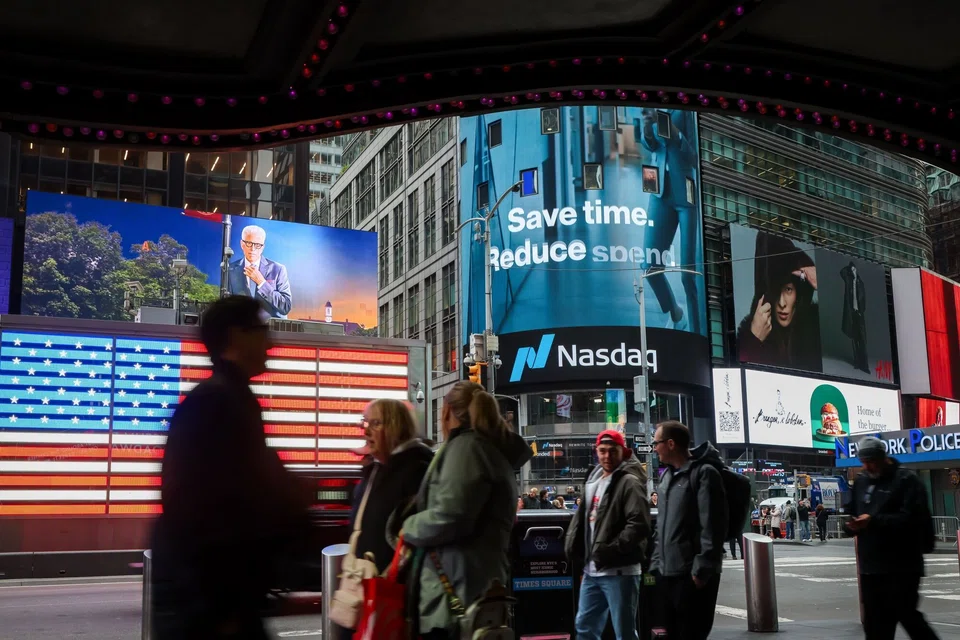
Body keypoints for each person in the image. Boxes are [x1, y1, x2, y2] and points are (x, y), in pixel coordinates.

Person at [151, 296, 309, 640]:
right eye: (263, 330)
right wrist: (223, 608)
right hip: (213, 605)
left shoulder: (227, 398)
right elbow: (199, 509)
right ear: (237, 337)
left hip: (219, 601)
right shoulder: (218, 402)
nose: (271, 341)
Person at [401, 381, 533, 640]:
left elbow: (451, 516)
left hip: (454, 596)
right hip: (477, 589)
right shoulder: (490, 450)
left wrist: (408, 526)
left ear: (447, 411)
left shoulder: (467, 449)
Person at [845, 437, 939, 640]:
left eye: (871, 461)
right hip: (871, 566)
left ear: (883, 457)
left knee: (906, 615)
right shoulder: (862, 481)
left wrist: (874, 521)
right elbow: (853, 511)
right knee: (875, 623)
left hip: (902, 565)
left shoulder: (906, 481)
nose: (867, 466)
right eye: (864, 461)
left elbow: (913, 519)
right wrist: (851, 525)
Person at [564, 430, 651, 640]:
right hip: (594, 570)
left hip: (620, 571)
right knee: (585, 627)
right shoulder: (595, 480)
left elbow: (639, 524)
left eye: (613, 451)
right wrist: (589, 557)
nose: (607, 456)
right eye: (602, 451)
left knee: (624, 632)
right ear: (596, 451)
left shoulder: (629, 481)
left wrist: (608, 552)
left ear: (624, 452)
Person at [650, 421, 727, 640]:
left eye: (657, 443)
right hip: (667, 575)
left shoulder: (704, 474)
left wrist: (701, 572)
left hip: (691, 577)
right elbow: (662, 526)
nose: (654, 448)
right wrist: (656, 565)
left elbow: (712, 526)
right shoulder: (667, 477)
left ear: (671, 444)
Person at [637, 107, 702, 334]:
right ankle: (676, 313)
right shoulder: (649, 105)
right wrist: (647, 126)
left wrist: (675, 133)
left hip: (687, 196)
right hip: (660, 195)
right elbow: (650, 145)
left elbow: (695, 157)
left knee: (688, 275)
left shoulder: (686, 107)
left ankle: (697, 334)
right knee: (649, 266)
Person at [350, 399, 433, 574]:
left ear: (396, 427)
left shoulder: (414, 471)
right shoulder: (379, 469)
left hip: (394, 587)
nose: (365, 431)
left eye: (376, 423)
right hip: (373, 579)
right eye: (365, 422)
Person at [737, 231, 822, 371]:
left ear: (799, 293)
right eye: (776, 291)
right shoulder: (750, 335)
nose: (782, 303)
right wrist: (754, 340)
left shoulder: (815, 328)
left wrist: (818, 278)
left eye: (788, 290)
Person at [227, 225, 293, 318]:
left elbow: (286, 306)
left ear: (262, 247)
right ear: (242, 244)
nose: (253, 249)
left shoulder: (278, 269)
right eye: (249, 243)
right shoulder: (230, 269)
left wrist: (262, 283)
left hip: (269, 329)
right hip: (241, 328)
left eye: (257, 245)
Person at [840, 261, 869, 373]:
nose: (853, 272)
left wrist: (862, 311)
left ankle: (864, 365)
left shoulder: (860, 283)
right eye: (851, 270)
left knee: (862, 339)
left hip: (859, 313)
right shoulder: (848, 280)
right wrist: (849, 267)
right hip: (851, 312)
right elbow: (841, 272)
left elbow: (864, 299)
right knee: (854, 338)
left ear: (857, 270)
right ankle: (857, 362)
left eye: (854, 269)